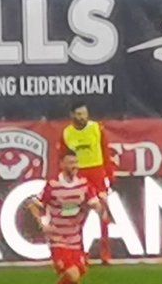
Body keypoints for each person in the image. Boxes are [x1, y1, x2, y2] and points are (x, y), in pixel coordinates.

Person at [28, 150, 107, 284]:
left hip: (76, 240)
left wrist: (101, 209)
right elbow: (33, 205)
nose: (74, 166)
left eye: (76, 162)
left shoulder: (83, 185)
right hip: (57, 239)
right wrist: (42, 223)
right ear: (62, 165)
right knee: (72, 275)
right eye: (70, 163)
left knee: (76, 277)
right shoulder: (53, 186)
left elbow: (95, 204)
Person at [62, 104, 115, 265]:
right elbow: (63, 157)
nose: (82, 117)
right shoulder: (66, 133)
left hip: (96, 173)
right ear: (72, 115)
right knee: (76, 214)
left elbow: (105, 152)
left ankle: (105, 253)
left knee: (103, 212)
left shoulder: (96, 128)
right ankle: (78, 252)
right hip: (78, 175)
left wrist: (109, 174)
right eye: (79, 114)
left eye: (84, 113)